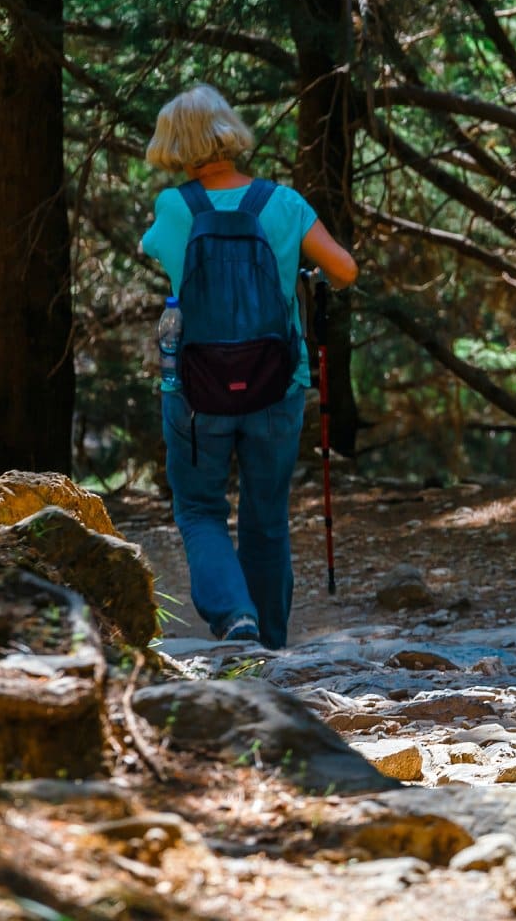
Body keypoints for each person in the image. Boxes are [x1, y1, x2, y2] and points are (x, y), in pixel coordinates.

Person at [141, 84, 357, 649]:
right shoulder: (282, 203)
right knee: (266, 515)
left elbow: (155, 250)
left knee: (198, 507)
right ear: (227, 132)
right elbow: (346, 270)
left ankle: (236, 618)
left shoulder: (175, 206)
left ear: (178, 144)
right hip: (276, 384)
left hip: (195, 390)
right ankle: (272, 647)